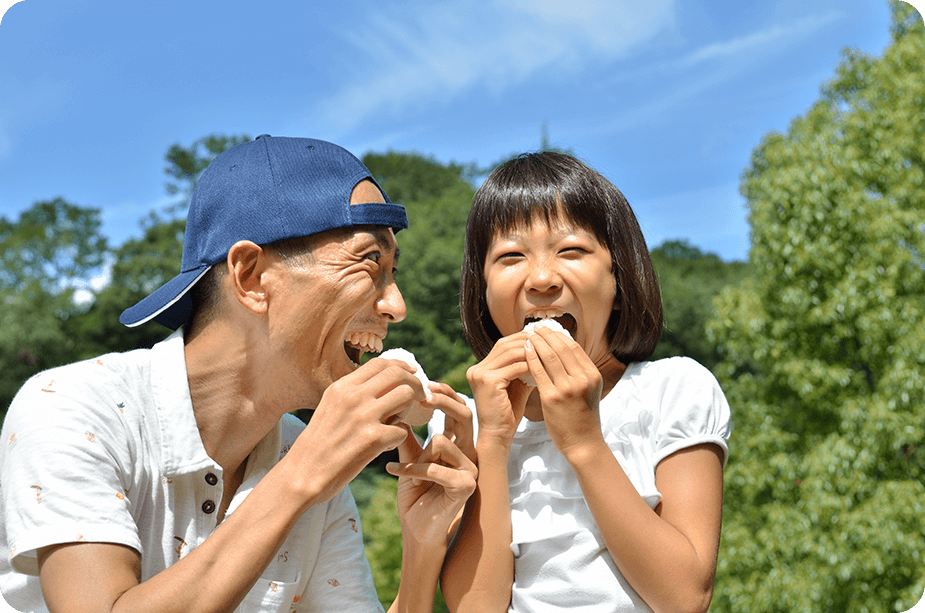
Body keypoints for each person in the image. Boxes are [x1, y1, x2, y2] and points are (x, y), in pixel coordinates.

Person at [0, 135, 477, 613]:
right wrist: (302, 475)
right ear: (250, 276)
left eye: (394, 272)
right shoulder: (72, 408)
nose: (397, 306)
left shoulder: (305, 455)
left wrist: (421, 548)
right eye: (370, 263)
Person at [428, 151, 731, 612]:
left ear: (618, 277)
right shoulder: (461, 421)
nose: (543, 278)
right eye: (510, 257)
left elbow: (685, 597)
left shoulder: (674, 389)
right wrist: (491, 442)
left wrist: (584, 440)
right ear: (481, 290)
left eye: (571, 250)